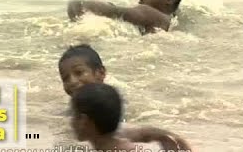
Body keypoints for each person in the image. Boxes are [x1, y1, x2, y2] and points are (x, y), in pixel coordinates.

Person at [58, 44, 192, 151]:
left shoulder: (114, 105)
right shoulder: (75, 111)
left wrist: (172, 138)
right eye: (65, 78)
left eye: (79, 72)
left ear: (101, 73)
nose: (72, 82)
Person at [71, 83, 191, 151]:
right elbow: (153, 133)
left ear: (84, 121)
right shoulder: (120, 135)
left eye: (73, 115)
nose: (71, 122)